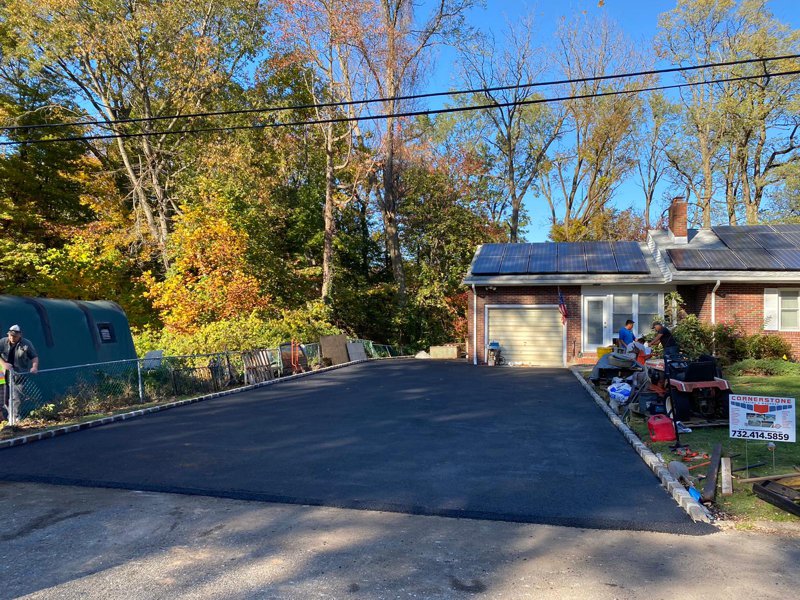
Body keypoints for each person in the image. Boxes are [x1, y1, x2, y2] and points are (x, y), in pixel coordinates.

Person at [0, 324, 39, 421]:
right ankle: (7, 417)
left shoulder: (26, 344)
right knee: (3, 397)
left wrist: (34, 367)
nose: (12, 338)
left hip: (18, 375)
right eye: (10, 335)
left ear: (20, 335)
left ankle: (13, 418)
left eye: (15, 336)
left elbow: (34, 357)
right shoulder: (2, 342)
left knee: (16, 397)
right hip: (3, 373)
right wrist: (4, 364)